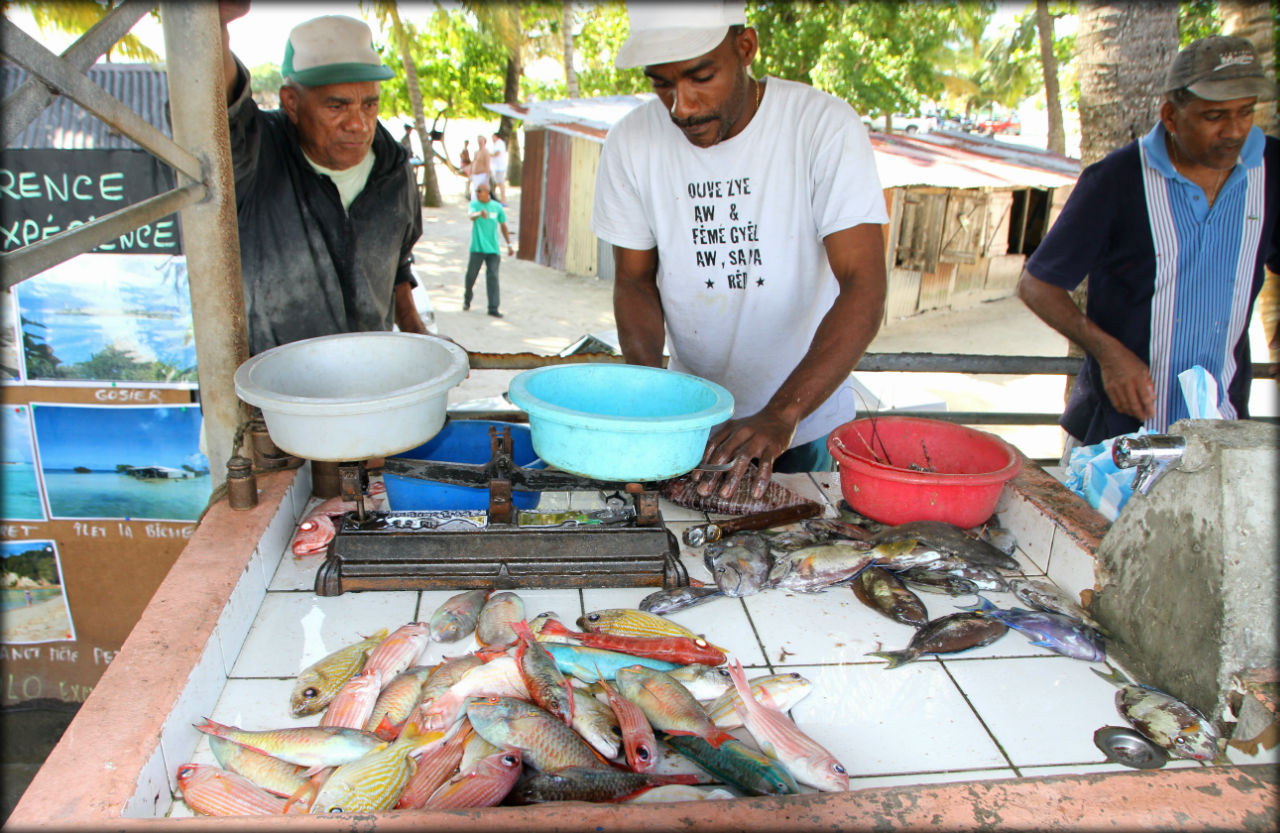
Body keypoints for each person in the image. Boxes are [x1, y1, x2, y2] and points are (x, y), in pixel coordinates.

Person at [591, 2, 888, 501]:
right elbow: (634, 280)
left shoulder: (823, 127)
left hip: (803, 419)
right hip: (693, 420)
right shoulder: (631, 142)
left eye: (700, 76)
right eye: (661, 84)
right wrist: (653, 402)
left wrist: (784, 412)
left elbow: (865, 284)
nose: (681, 107)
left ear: (745, 48)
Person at [1018, 35, 1279, 449]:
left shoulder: (1273, 171)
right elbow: (1037, 284)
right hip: (1115, 436)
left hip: (1220, 430)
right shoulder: (1116, 181)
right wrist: (1108, 353)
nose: (1234, 131)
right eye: (1214, 116)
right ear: (1171, 117)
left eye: (1245, 112)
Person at [218, 7, 428, 354]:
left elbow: (397, 262)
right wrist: (216, 23)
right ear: (292, 103)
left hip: (369, 382)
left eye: (370, 105)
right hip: (278, 392)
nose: (358, 123)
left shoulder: (394, 170)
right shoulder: (256, 154)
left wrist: (414, 328)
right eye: (337, 107)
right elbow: (220, 102)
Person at [462, 183, 514, 318]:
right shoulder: (474, 205)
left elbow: (503, 225)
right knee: (471, 276)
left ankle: (493, 307)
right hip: (477, 248)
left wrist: (509, 245)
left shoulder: (496, 207)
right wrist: (479, 213)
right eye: (476, 191)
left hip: (493, 249)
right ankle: (467, 299)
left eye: (480, 191)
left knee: (493, 277)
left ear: (487, 192)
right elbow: (471, 216)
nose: (477, 193)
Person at [490, 131, 509, 204]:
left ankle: (503, 201)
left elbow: (497, 154)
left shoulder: (499, 143)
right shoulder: (496, 144)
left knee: (501, 184)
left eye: (493, 137)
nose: (492, 139)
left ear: (496, 136)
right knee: (498, 183)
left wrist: (488, 154)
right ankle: (500, 199)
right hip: (496, 167)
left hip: (500, 167)